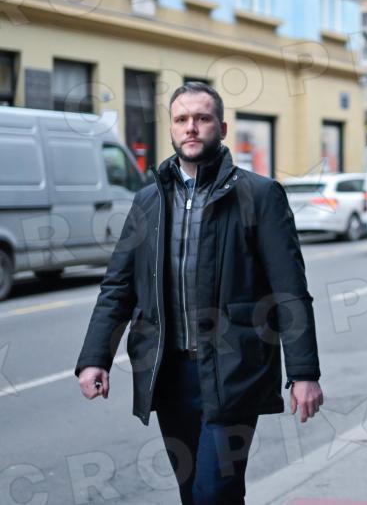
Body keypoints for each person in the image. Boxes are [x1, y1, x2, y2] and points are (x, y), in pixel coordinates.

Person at [75, 82, 323, 504]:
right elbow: (118, 286)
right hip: (170, 373)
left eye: (202, 118)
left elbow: (290, 291)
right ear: (171, 129)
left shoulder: (259, 195)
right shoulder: (149, 201)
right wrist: (95, 357)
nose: (191, 127)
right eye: (181, 119)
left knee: (214, 493)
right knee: (191, 491)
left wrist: (304, 373)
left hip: (234, 370)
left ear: (221, 128)